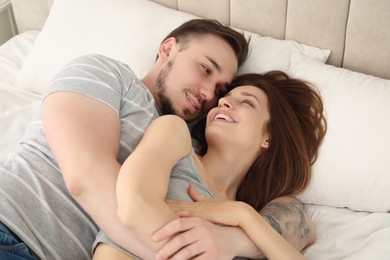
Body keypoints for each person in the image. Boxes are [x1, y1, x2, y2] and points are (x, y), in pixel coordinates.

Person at [0, 18, 310, 259]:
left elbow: (297, 222)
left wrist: (238, 234)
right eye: (205, 69)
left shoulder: (192, 148)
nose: (210, 96)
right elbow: (87, 178)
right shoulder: (107, 74)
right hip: (10, 229)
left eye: (219, 89)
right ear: (167, 48)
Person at [92, 71, 327, 260]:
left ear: (269, 137)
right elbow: (134, 205)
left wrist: (244, 214)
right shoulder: (176, 135)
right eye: (225, 98)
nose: (224, 101)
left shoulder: (248, 215)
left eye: (246, 102)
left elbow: (304, 226)